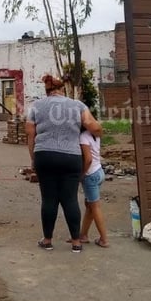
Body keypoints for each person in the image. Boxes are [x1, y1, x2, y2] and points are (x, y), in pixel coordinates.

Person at [25, 73, 103, 253]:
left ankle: (47, 240)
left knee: (49, 199)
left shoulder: (35, 106)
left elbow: (31, 135)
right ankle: (76, 242)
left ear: (47, 90)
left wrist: (34, 160)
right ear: (63, 89)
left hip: (45, 155)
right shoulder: (77, 105)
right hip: (70, 157)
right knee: (70, 199)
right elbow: (95, 128)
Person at [79, 127, 109, 247]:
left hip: (90, 175)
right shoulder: (95, 134)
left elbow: (88, 160)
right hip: (99, 172)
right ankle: (83, 235)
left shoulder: (83, 137)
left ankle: (104, 239)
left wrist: (82, 174)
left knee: (95, 207)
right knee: (90, 206)